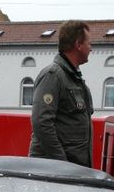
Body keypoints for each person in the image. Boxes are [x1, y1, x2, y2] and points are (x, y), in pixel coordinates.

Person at [29, 20, 93, 167]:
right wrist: (62, 164)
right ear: (78, 44)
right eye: (89, 43)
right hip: (53, 170)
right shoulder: (53, 76)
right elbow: (42, 123)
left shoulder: (76, 80)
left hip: (72, 168)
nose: (91, 48)